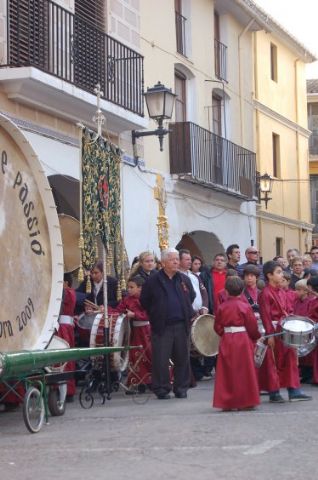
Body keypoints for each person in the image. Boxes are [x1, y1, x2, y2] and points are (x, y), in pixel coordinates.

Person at [140, 248, 196, 400]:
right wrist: (156, 312)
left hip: (181, 324)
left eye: (177, 259)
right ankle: (162, 388)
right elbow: (144, 300)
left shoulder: (183, 279)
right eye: (172, 259)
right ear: (163, 262)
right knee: (160, 359)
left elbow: (191, 295)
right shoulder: (153, 281)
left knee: (182, 357)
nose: (176, 262)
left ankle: (181, 387)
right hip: (162, 326)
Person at [258, 261, 311, 402]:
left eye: (282, 272)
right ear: (269, 275)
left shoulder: (282, 292)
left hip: (286, 330)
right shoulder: (265, 294)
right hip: (274, 332)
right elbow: (265, 316)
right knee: (273, 362)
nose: (282, 275)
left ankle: (294, 390)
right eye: (279, 272)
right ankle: (274, 392)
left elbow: (289, 310)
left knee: (291, 358)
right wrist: (269, 335)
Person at [213, 277, 261, 411]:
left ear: (226, 291)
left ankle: (227, 402)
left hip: (228, 338)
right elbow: (252, 326)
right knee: (245, 370)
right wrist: (255, 337)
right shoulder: (245, 306)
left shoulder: (222, 307)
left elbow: (217, 326)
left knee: (227, 371)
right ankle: (246, 401)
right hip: (243, 339)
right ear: (242, 290)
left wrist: (225, 333)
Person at [115, 275, 152, 392]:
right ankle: (138, 382)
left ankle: (152, 380)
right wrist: (104, 310)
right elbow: (118, 310)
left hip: (146, 331)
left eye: (132, 287)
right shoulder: (127, 299)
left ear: (140, 288)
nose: (129, 289)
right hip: (135, 331)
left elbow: (149, 314)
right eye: (128, 287)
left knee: (149, 355)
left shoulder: (147, 298)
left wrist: (135, 315)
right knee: (135, 357)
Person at [179, 249, 209, 384]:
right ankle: (192, 374)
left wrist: (204, 307)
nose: (190, 261)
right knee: (188, 345)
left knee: (198, 343)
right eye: (187, 259)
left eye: (190, 259)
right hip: (187, 315)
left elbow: (203, 292)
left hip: (199, 314)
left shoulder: (195, 276)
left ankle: (198, 372)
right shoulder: (178, 277)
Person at [57, 273, 76, 401]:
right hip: (66, 326)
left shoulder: (67, 293)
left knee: (64, 360)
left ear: (66, 283)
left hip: (63, 327)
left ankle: (67, 390)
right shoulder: (70, 292)